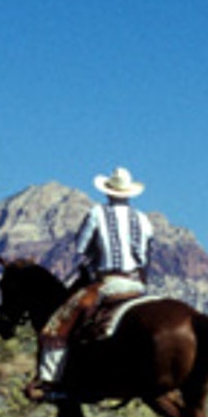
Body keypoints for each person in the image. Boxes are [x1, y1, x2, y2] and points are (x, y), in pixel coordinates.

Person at [27, 166, 153, 401]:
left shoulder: (97, 213)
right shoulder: (143, 219)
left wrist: (95, 257)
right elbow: (145, 255)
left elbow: (81, 247)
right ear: (129, 193)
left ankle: (49, 382)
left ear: (108, 191)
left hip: (108, 281)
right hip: (137, 284)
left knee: (57, 323)